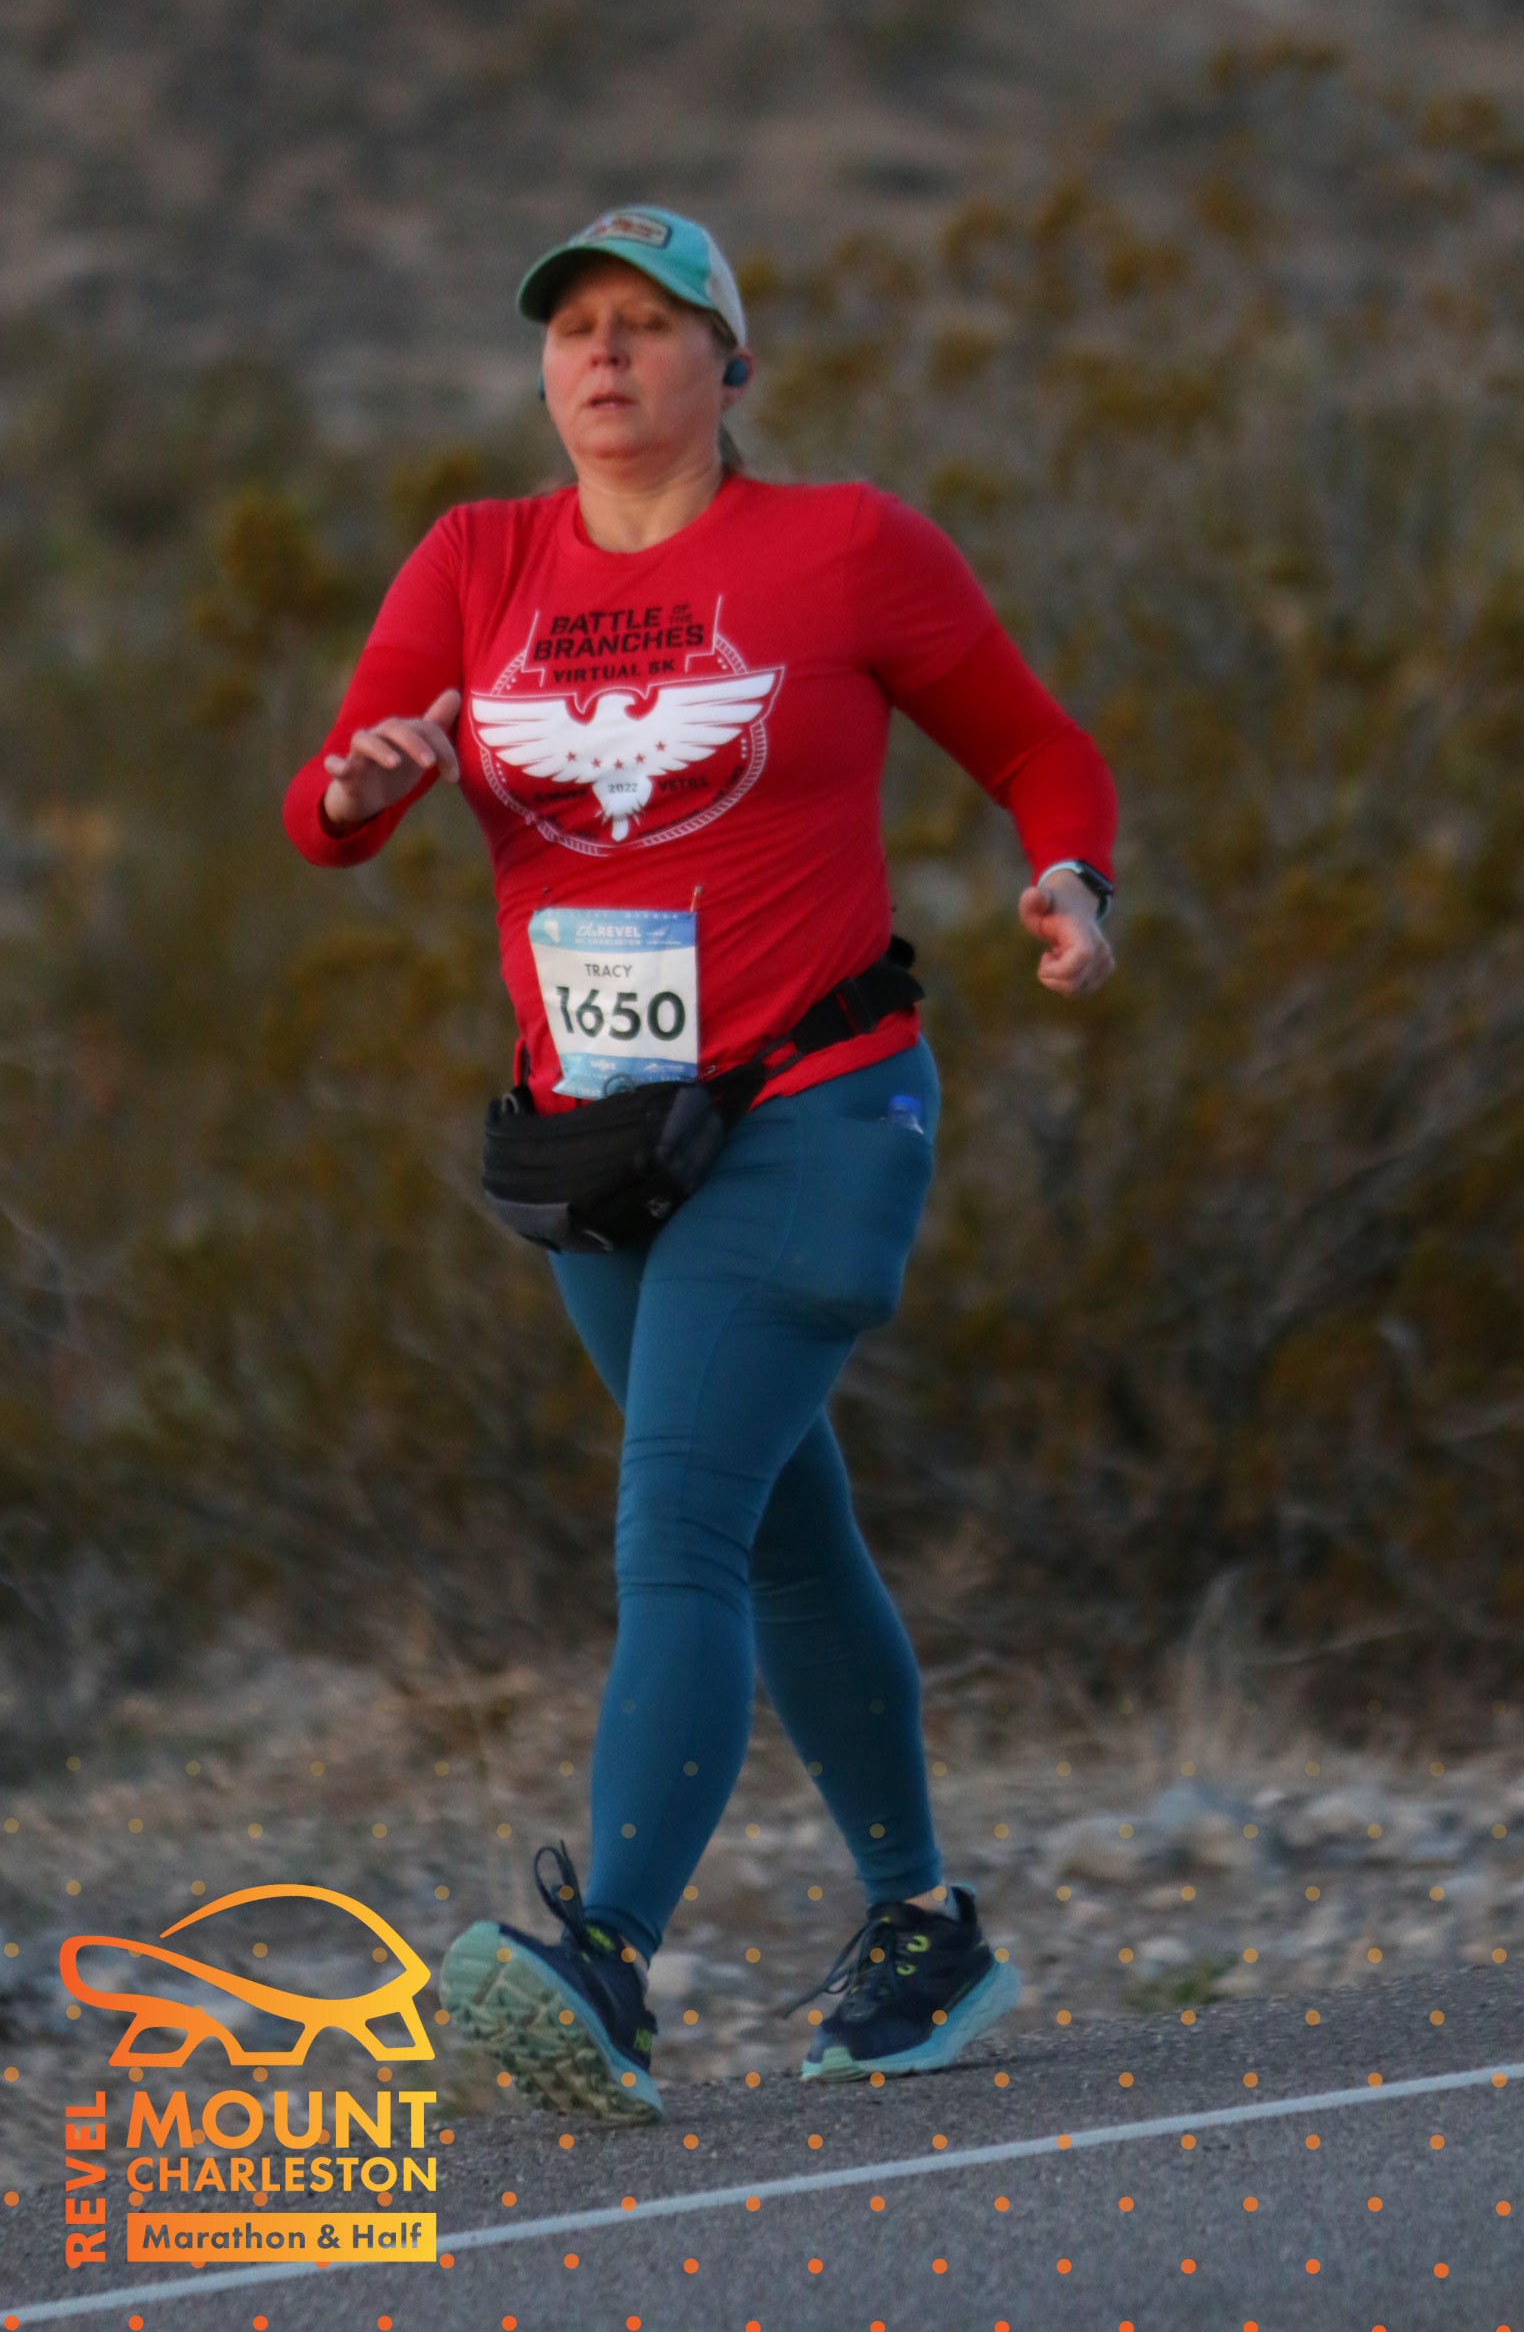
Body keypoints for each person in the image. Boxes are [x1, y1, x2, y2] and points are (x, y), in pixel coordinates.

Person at [283, 205, 1117, 2122]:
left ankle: (608, 1958)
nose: (604, 352)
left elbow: (1038, 748)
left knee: (674, 1524)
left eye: (649, 323)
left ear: (726, 365)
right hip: (599, 1148)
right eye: (574, 324)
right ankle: (925, 1929)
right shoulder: (476, 562)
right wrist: (359, 784)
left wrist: (1069, 882)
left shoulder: (846, 548)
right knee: (781, 1534)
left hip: (819, 1110)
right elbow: (328, 810)